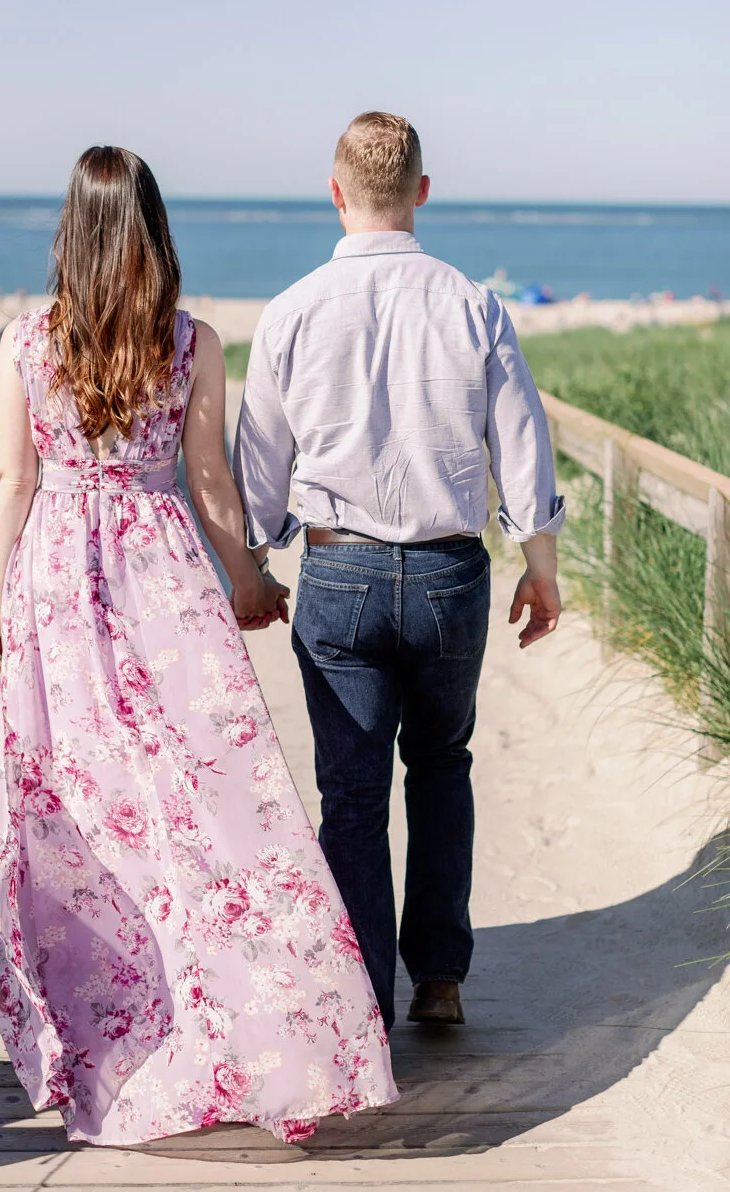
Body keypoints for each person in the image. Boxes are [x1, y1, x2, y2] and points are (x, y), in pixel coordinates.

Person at [0, 146, 397, 1146]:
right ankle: (256, 1019)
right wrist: (247, 578)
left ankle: (115, 1024)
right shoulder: (192, 339)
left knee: (81, 803)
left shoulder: (25, 340)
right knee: (210, 799)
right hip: (160, 570)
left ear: (71, 232)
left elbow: (11, 480)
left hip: (57, 579)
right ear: (154, 229)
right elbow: (208, 477)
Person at [233, 112, 564, 1031]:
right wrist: (540, 566)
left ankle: (361, 1004)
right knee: (442, 766)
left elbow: (260, 458)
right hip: (451, 574)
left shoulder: (290, 310)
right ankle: (440, 979)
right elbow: (522, 444)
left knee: (351, 794)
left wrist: (256, 562)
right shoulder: (473, 304)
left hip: (338, 572)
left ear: (336, 193)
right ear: (421, 191)